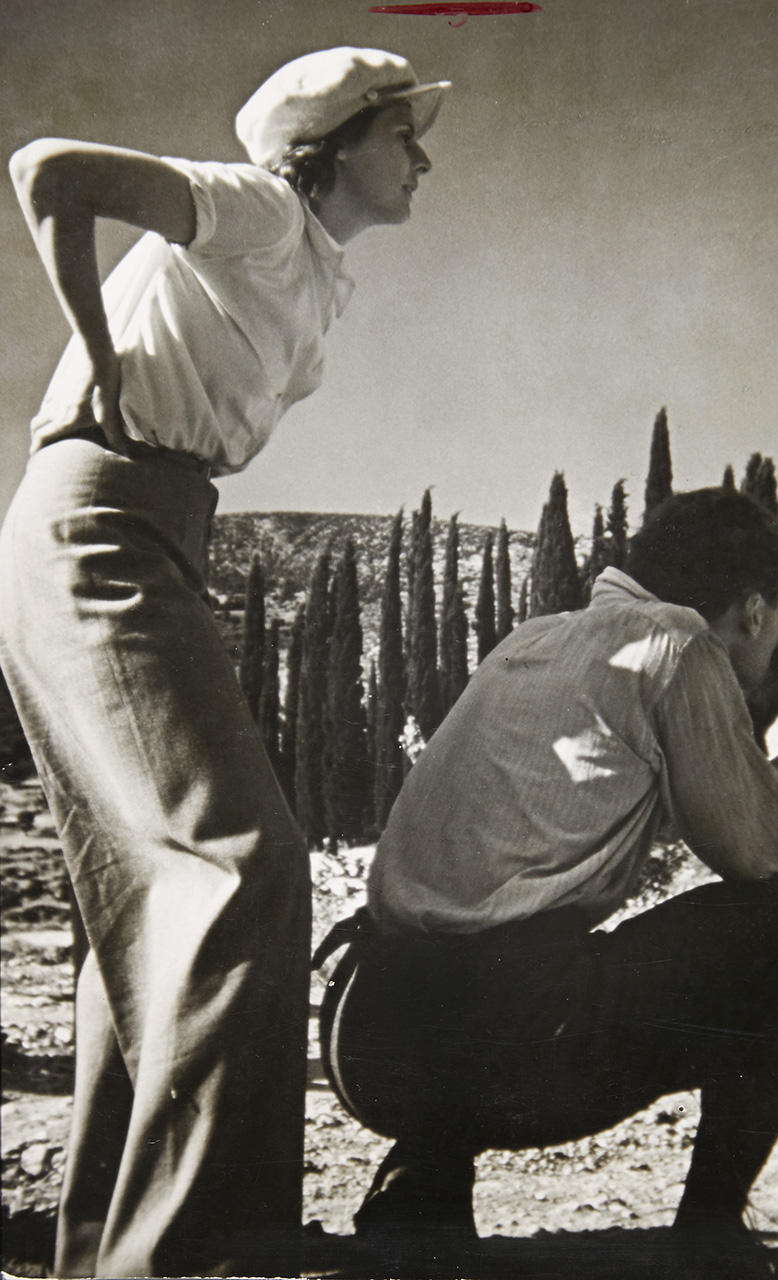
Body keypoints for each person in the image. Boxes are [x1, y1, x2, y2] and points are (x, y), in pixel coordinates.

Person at [0, 46, 449, 1279]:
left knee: (151, 904)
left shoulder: (310, 269)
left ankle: (115, 1247)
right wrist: (92, 344)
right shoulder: (261, 207)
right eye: (400, 132)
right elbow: (48, 172)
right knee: (244, 864)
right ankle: (206, 1254)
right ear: (330, 145)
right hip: (103, 521)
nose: (421, 155)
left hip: (144, 532)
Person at [320, 487, 778, 1275]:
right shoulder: (680, 647)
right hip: (511, 1047)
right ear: (754, 610)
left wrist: (755, 708)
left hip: (370, 1033)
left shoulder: (540, 637)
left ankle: (423, 1187)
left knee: (510, 931)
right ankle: (710, 1235)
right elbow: (761, 849)